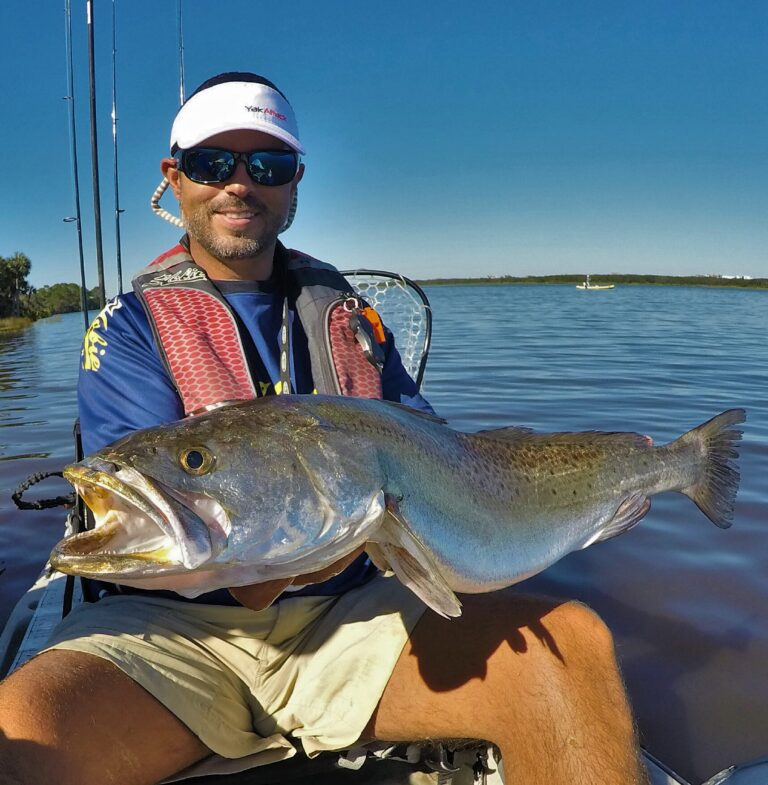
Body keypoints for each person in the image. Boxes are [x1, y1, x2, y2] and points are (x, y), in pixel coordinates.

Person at [0, 73, 650, 785]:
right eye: (213, 162)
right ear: (175, 177)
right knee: (22, 734)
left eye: (268, 166)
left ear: (294, 182)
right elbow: (166, 538)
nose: (240, 184)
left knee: (573, 645)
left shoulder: (352, 316)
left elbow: (437, 452)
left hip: (351, 618)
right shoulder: (127, 329)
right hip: (172, 641)